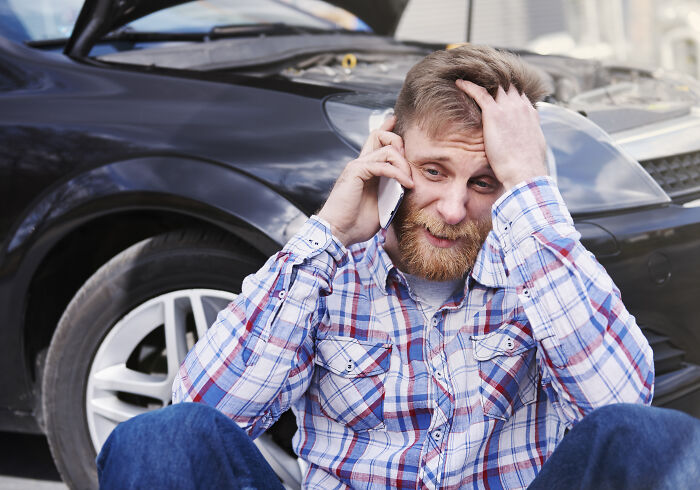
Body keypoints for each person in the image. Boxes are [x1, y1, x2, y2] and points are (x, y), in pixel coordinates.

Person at [97, 45, 700, 489]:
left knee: (661, 439)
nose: (455, 207)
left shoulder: (538, 266)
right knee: (157, 441)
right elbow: (204, 413)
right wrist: (326, 235)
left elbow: (622, 409)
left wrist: (530, 192)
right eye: (434, 171)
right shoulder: (326, 272)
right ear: (391, 151)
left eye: (485, 181)